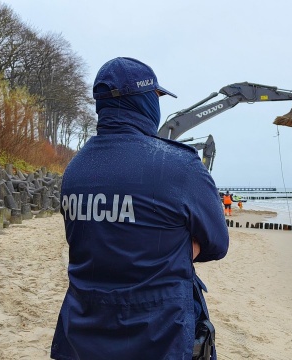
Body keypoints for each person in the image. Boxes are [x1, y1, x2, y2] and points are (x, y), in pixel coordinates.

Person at [51, 57, 229, 360]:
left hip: (82, 335)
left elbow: (93, 241)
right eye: (156, 97)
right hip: (159, 335)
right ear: (145, 100)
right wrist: (167, 251)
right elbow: (217, 244)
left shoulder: (75, 169)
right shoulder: (180, 165)